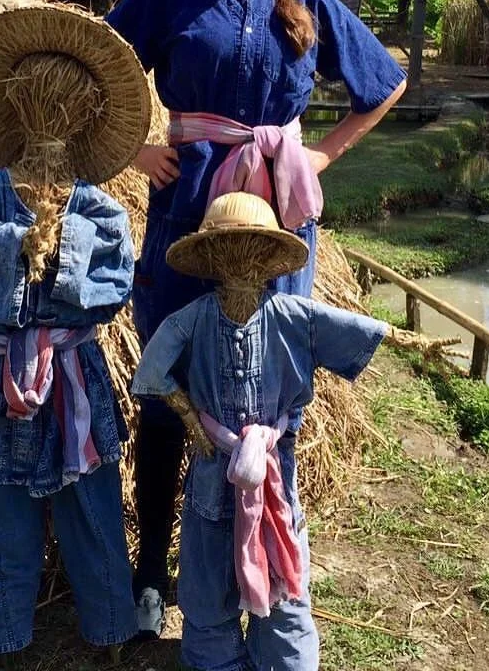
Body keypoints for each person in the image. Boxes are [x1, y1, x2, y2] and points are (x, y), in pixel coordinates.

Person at [105, 0, 408, 635]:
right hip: (185, 214)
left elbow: (385, 83)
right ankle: (151, 571)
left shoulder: (310, 3)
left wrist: (321, 156)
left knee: (270, 393)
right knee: (169, 386)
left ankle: (266, 561)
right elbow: (93, 71)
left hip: (278, 224)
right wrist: (134, 149)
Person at [0, 5, 151, 667]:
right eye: (39, 95)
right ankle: (1, 635)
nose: (51, 110)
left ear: (85, 111)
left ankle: (110, 627)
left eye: (65, 100)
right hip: (2, 377)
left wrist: (64, 244)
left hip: (72, 376)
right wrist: (17, 241)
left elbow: (116, 278)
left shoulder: (95, 202)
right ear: (15, 102)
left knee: (91, 506)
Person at [131, 191, 390, 671]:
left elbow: (362, 332)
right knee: (208, 583)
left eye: (252, 249)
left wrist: (412, 340)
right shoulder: (193, 318)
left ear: (269, 256)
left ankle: (282, 659)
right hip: (214, 471)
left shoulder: (292, 315)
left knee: (284, 581)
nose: (241, 261)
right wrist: (189, 417)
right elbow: (149, 373)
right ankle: (217, 660)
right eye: (229, 249)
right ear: (211, 257)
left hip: (273, 476)